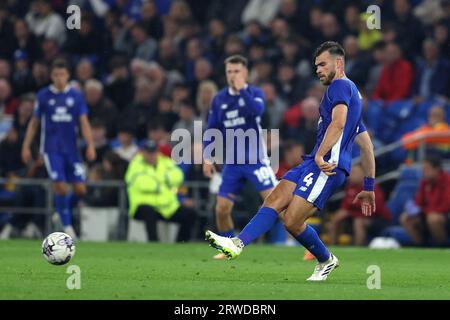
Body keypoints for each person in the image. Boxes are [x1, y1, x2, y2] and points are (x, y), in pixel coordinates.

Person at [205, 42, 376, 281]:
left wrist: (319, 155)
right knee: (274, 198)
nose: (318, 70)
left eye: (323, 64)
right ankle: (236, 243)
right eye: (316, 65)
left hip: (326, 166)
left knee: (293, 221)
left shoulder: (339, 86)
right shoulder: (351, 95)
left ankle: (326, 259)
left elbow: (337, 124)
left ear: (339, 63)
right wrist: (368, 187)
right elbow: (366, 145)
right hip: (313, 163)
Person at [202, 55, 278, 259]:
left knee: (278, 204)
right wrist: (208, 157)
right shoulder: (219, 99)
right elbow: (212, 130)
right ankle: (228, 248)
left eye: (236, 71)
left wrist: (242, 89)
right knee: (222, 209)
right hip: (232, 164)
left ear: (244, 73)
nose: (232, 75)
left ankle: (308, 244)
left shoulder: (254, 93)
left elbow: (257, 110)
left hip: (256, 160)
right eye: (229, 71)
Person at [21, 58, 96, 239]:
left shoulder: (76, 96)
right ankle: (68, 226)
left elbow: (84, 122)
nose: (59, 78)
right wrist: (26, 147)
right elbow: (34, 122)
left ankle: (61, 212)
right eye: (56, 75)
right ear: (51, 76)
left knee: (80, 190)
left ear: (68, 75)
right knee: (61, 188)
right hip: (51, 149)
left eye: (62, 74)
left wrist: (91, 145)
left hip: (72, 150)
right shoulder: (44, 95)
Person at [125, 140, 196, 242]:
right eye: (148, 152)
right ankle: (154, 244)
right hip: (142, 205)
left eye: (153, 152)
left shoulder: (165, 161)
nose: (151, 155)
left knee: (190, 213)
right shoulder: (135, 164)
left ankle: (181, 244)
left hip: (167, 207)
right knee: (149, 213)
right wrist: (165, 182)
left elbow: (179, 176)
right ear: (143, 152)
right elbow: (142, 184)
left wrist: (156, 179)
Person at [327, 164, 391, 246]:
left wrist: (350, 213)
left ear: (363, 174)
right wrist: (345, 213)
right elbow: (345, 206)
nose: (350, 176)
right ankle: (332, 246)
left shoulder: (371, 188)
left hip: (377, 219)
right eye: (350, 173)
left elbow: (374, 209)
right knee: (337, 217)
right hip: (356, 215)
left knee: (358, 222)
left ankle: (358, 247)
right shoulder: (350, 187)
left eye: (354, 173)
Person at [400, 155, 450, 246]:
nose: (424, 172)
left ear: (437, 169)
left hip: (444, 215)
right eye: (423, 169)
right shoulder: (425, 182)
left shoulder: (447, 181)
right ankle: (420, 246)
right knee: (405, 218)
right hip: (427, 213)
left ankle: (441, 246)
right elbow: (419, 201)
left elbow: (446, 205)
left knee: (433, 218)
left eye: (427, 169)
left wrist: (426, 211)